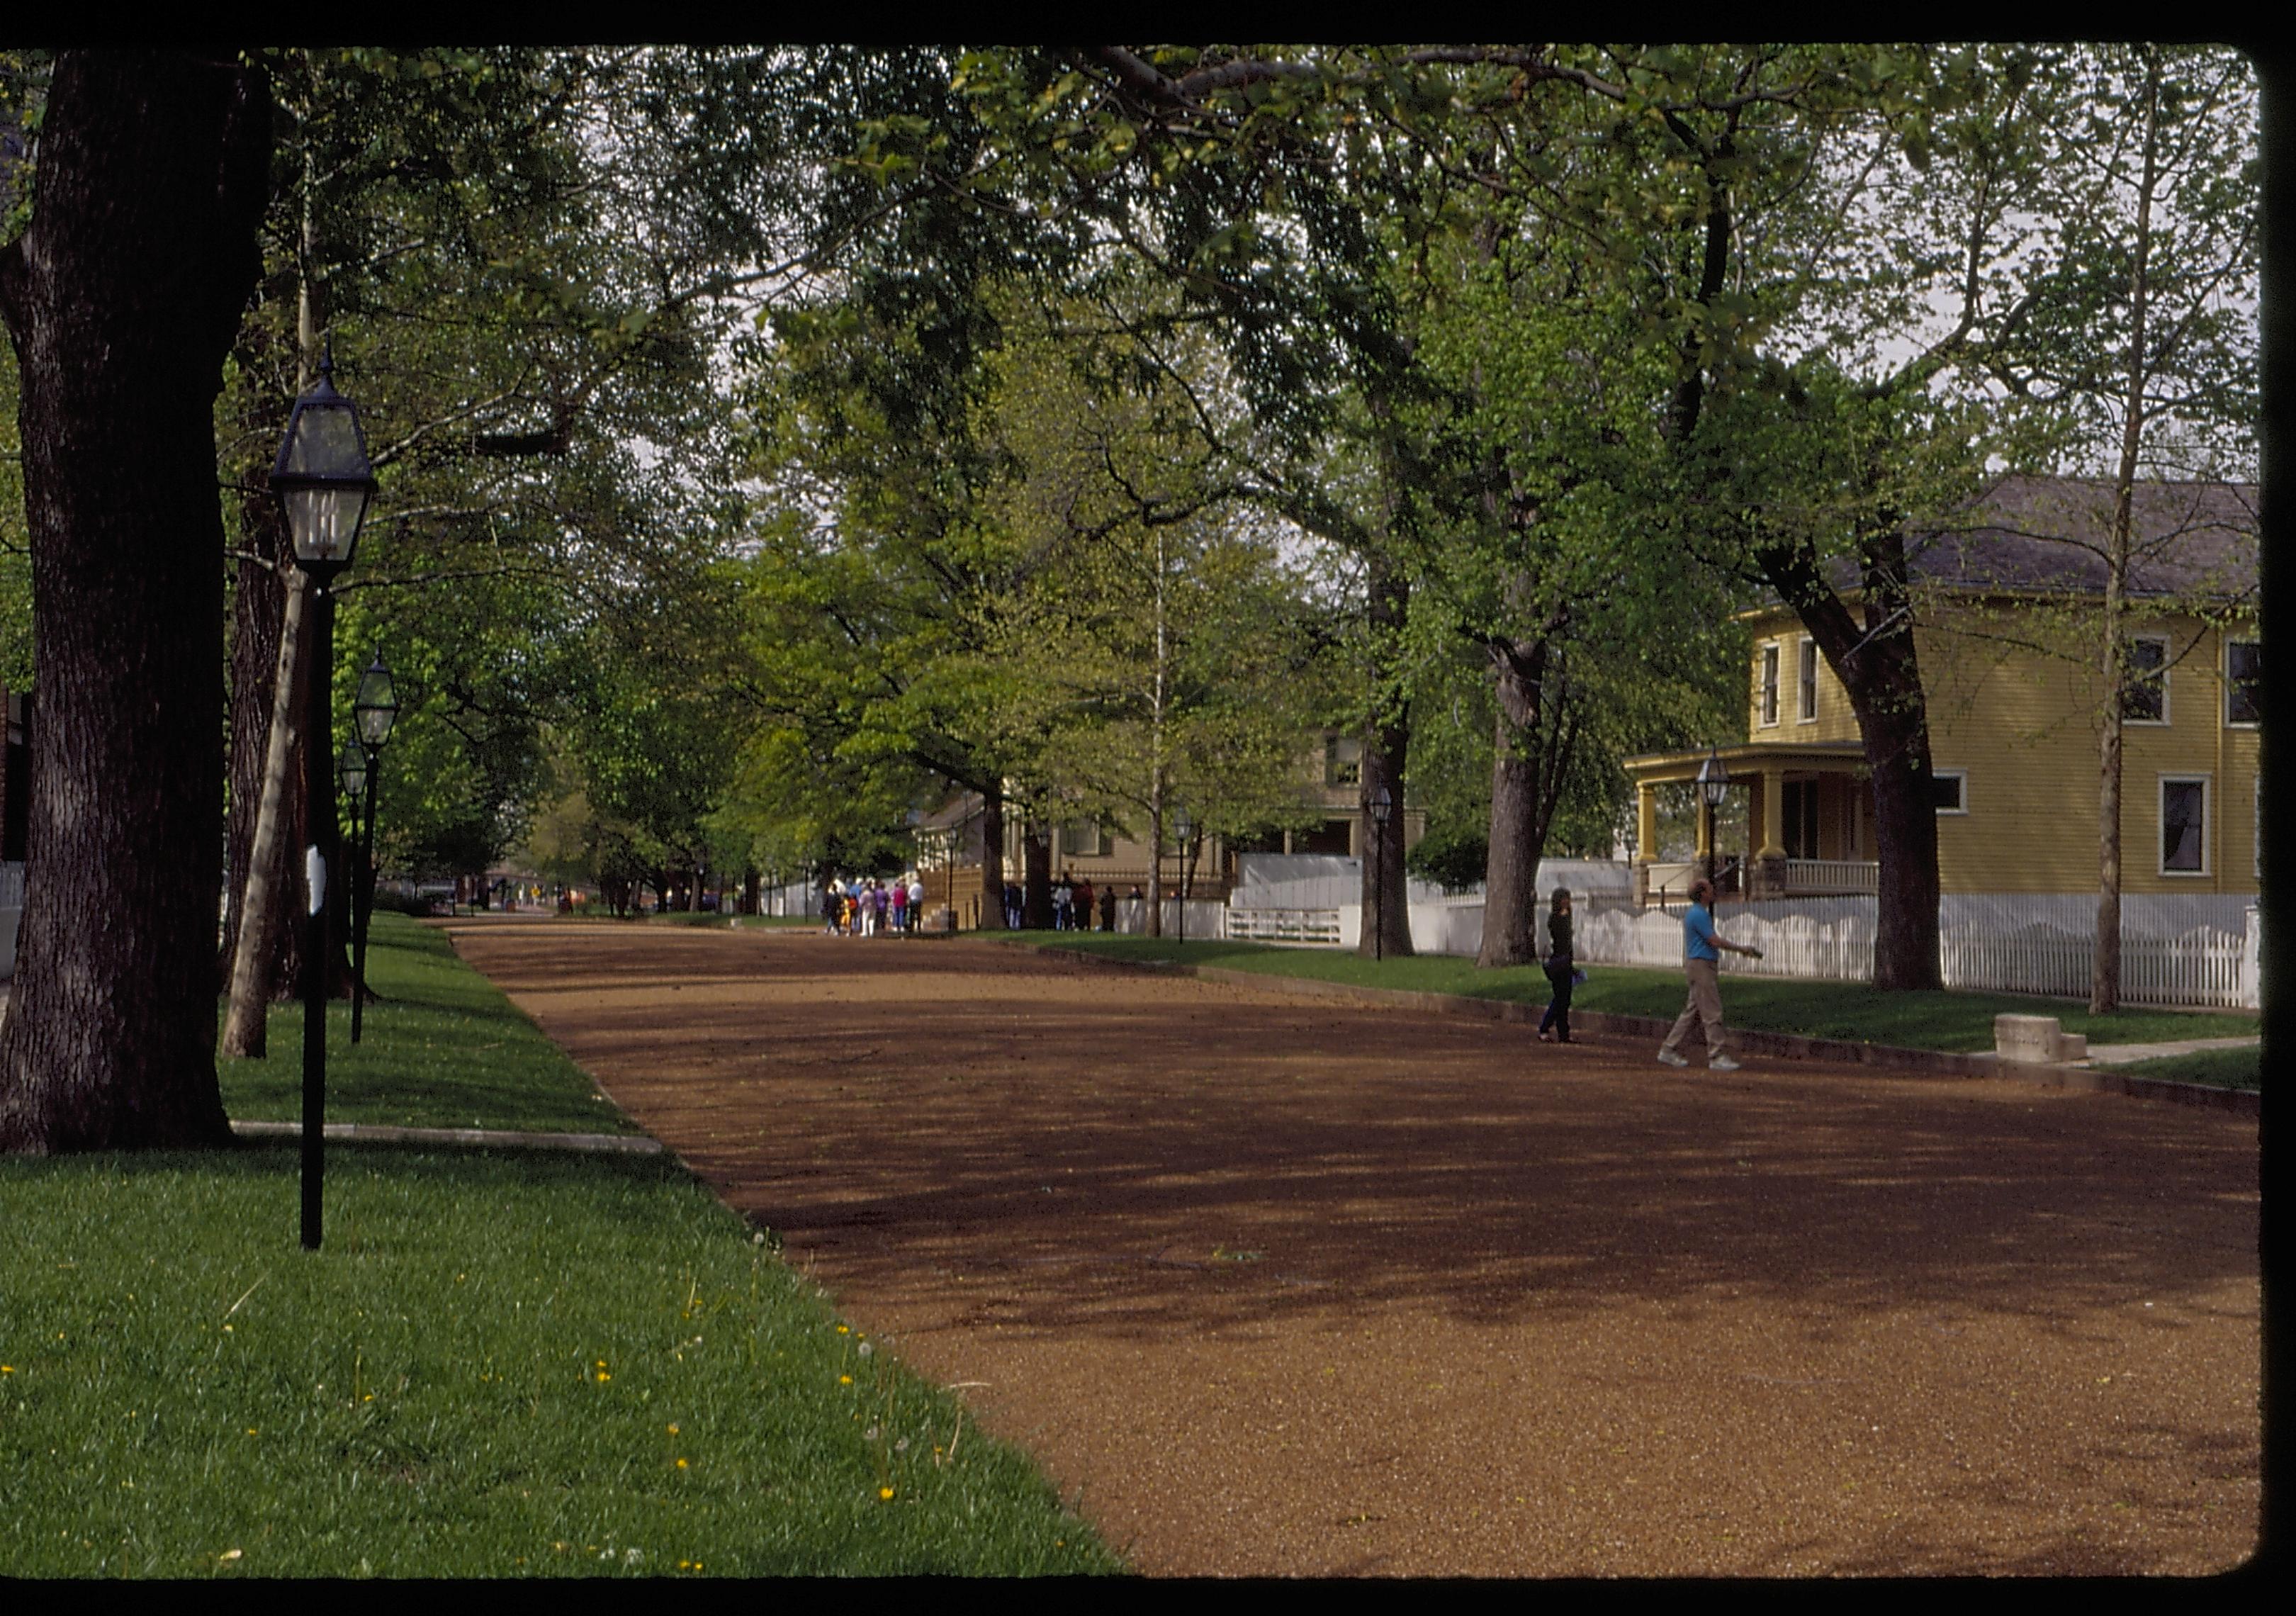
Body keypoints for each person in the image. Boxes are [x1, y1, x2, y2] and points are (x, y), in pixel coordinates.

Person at [1657, 876, 1762, 1071]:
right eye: (1709, 888)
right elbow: (1713, 940)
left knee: (1692, 1012)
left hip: (1698, 965)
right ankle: (1717, 1056)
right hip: (1702, 966)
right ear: (1703, 893)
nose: (1713, 890)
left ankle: (1669, 1049)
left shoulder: (1696, 913)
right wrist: (1741, 949)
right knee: (1712, 1011)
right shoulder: (1699, 915)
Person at [1537, 887, 1576, 1044]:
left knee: (1564, 1000)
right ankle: (1544, 1028)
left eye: (1567, 898)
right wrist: (1565, 919)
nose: (1566, 902)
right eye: (1563, 899)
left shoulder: (1567, 917)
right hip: (1559, 963)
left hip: (1566, 962)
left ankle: (1563, 1033)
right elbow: (1560, 937)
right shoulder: (1555, 919)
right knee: (1560, 999)